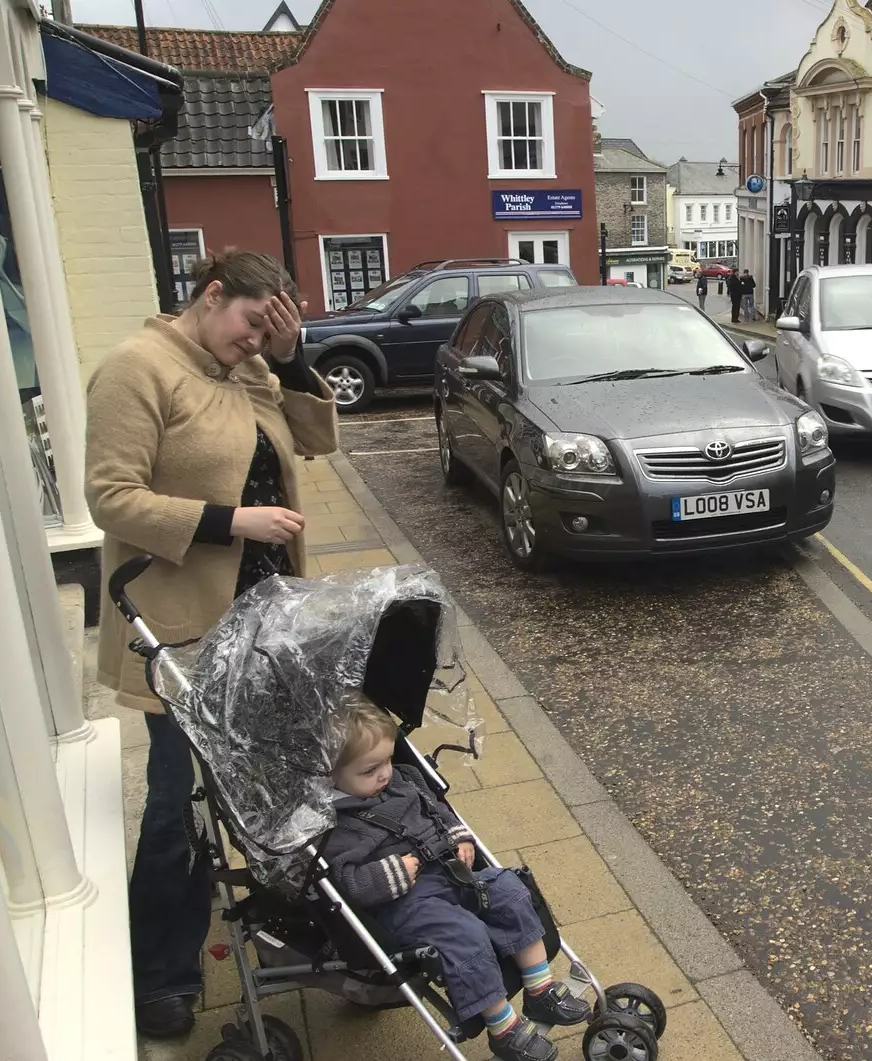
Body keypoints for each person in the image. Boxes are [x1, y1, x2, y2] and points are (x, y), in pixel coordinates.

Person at [86, 249, 339, 1039]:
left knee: (282, 780)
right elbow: (110, 497)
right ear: (211, 294)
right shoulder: (138, 368)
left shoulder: (248, 366)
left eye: (272, 332)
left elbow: (312, 442)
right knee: (179, 802)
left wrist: (291, 361)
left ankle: (293, 925)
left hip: (269, 612)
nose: (254, 341)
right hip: (183, 624)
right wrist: (233, 522)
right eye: (250, 324)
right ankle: (161, 969)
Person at [324, 702, 591, 1061]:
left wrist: (459, 838)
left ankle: (540, 989)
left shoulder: (402, 781)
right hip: (406, 904)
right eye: (370, 770)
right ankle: (503, 1029)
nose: (384, 773)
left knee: (510, 889)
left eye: (387, 760)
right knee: (465, 934)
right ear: (331, 774)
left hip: (452, 875)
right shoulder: (337, 827)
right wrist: (392, 873)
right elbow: (347, 883)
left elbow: (438, 811)